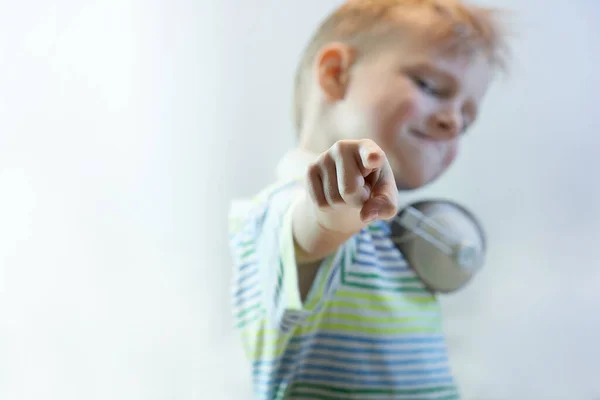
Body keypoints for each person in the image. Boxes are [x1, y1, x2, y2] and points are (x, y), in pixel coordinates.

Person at [228, 0, 509, 398]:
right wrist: (332, 212)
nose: (452, 122)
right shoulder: (279, 212)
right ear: (335, 74)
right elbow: (308, 231)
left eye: (467, 118)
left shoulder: (395, 236)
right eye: (430, 86)